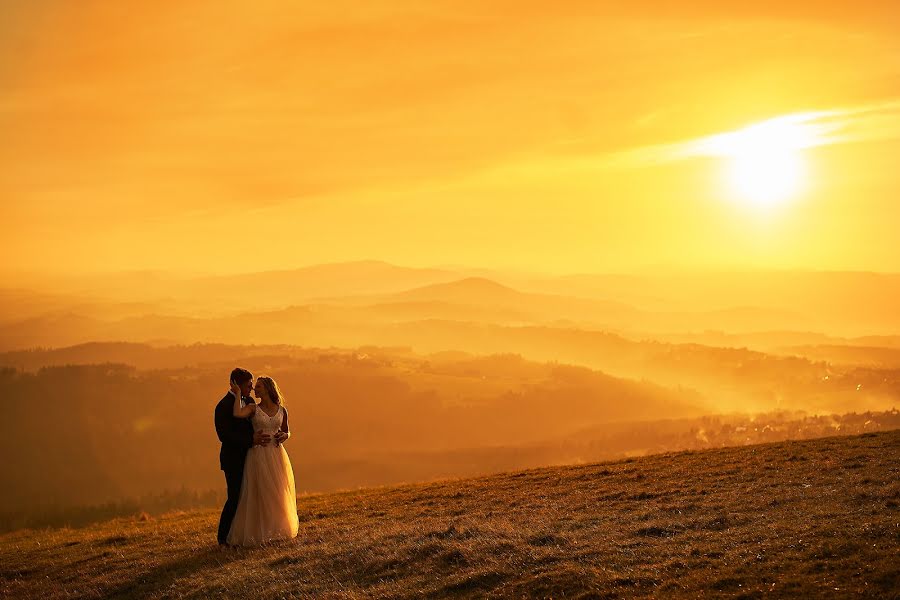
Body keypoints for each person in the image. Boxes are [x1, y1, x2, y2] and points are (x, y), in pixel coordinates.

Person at [226, 375, 299, 546]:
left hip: (277, 454)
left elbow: (287, 431)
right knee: (260, 492)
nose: (254, 389)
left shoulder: (282, 410)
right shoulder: (252, 408)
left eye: (258, 387)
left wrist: (285, 435)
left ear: (267, 389)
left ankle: (277, 528)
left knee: (278, 492)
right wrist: (237, 393)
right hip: (258, 454)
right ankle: (260, 532)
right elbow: (237, 413)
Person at [214, 368, 271, 546]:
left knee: (249, 496)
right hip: (233, 460)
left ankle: (243, 534)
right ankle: (223, 539)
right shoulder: (223, 406)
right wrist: (250, 439)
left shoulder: (249, 401)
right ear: (236, 385)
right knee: (234, 497)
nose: (252, 388)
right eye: (248, 385)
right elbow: (225, 435)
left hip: (251, 458)